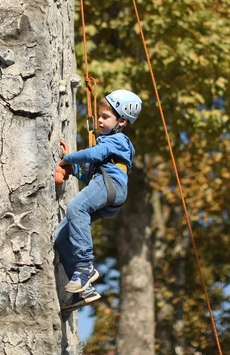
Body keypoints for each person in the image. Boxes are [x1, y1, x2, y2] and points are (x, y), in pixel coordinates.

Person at [55, 89, 142, 311]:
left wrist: (67, 158)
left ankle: (85, 267)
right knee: (62, 237)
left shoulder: (119, 140)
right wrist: (74, 170)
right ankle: (83, 292)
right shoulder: (107, 147)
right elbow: (91, 178)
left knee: (75, 207)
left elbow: (93, 156)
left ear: (121, 121)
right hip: (107, 189)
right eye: (100, 116)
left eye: (106, 117)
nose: (100, 120)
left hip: (111, 187)